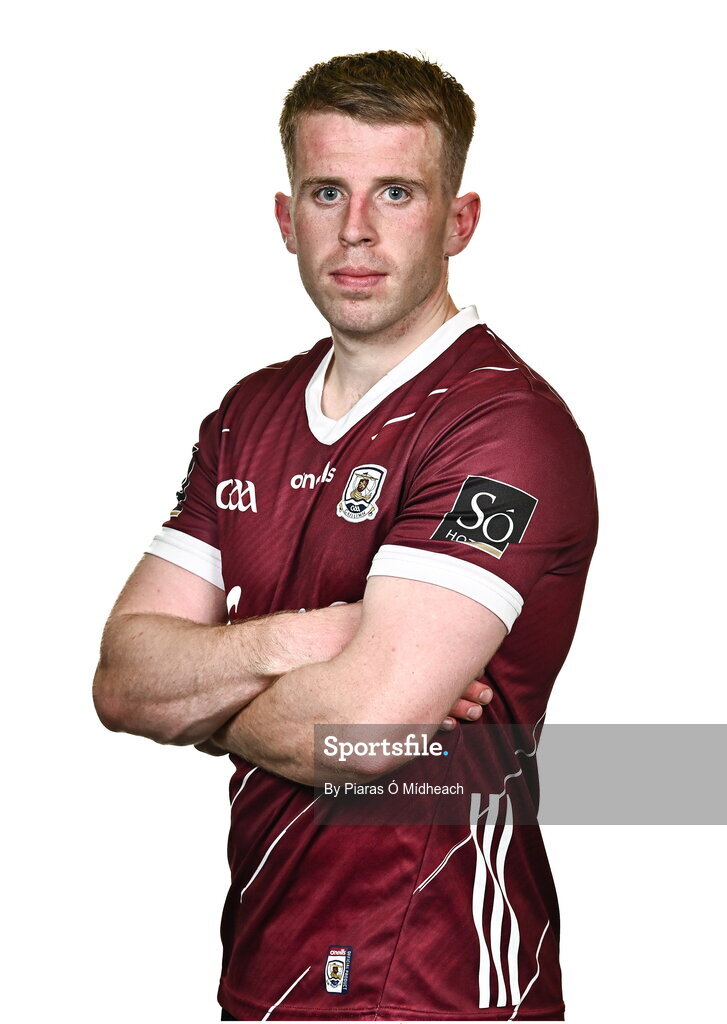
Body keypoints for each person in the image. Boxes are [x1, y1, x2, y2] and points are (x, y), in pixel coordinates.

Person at [93, 50, 597, 1021]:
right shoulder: (248, 413)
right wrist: (303, 639)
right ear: (286, 220)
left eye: (395, 192)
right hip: (260, 966)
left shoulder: (501, 426)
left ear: (460, 220)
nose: (355, 230)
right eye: (327, 190)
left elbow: (368, 733)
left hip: (434, 980)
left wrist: (203, 709)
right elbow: (123, 678)